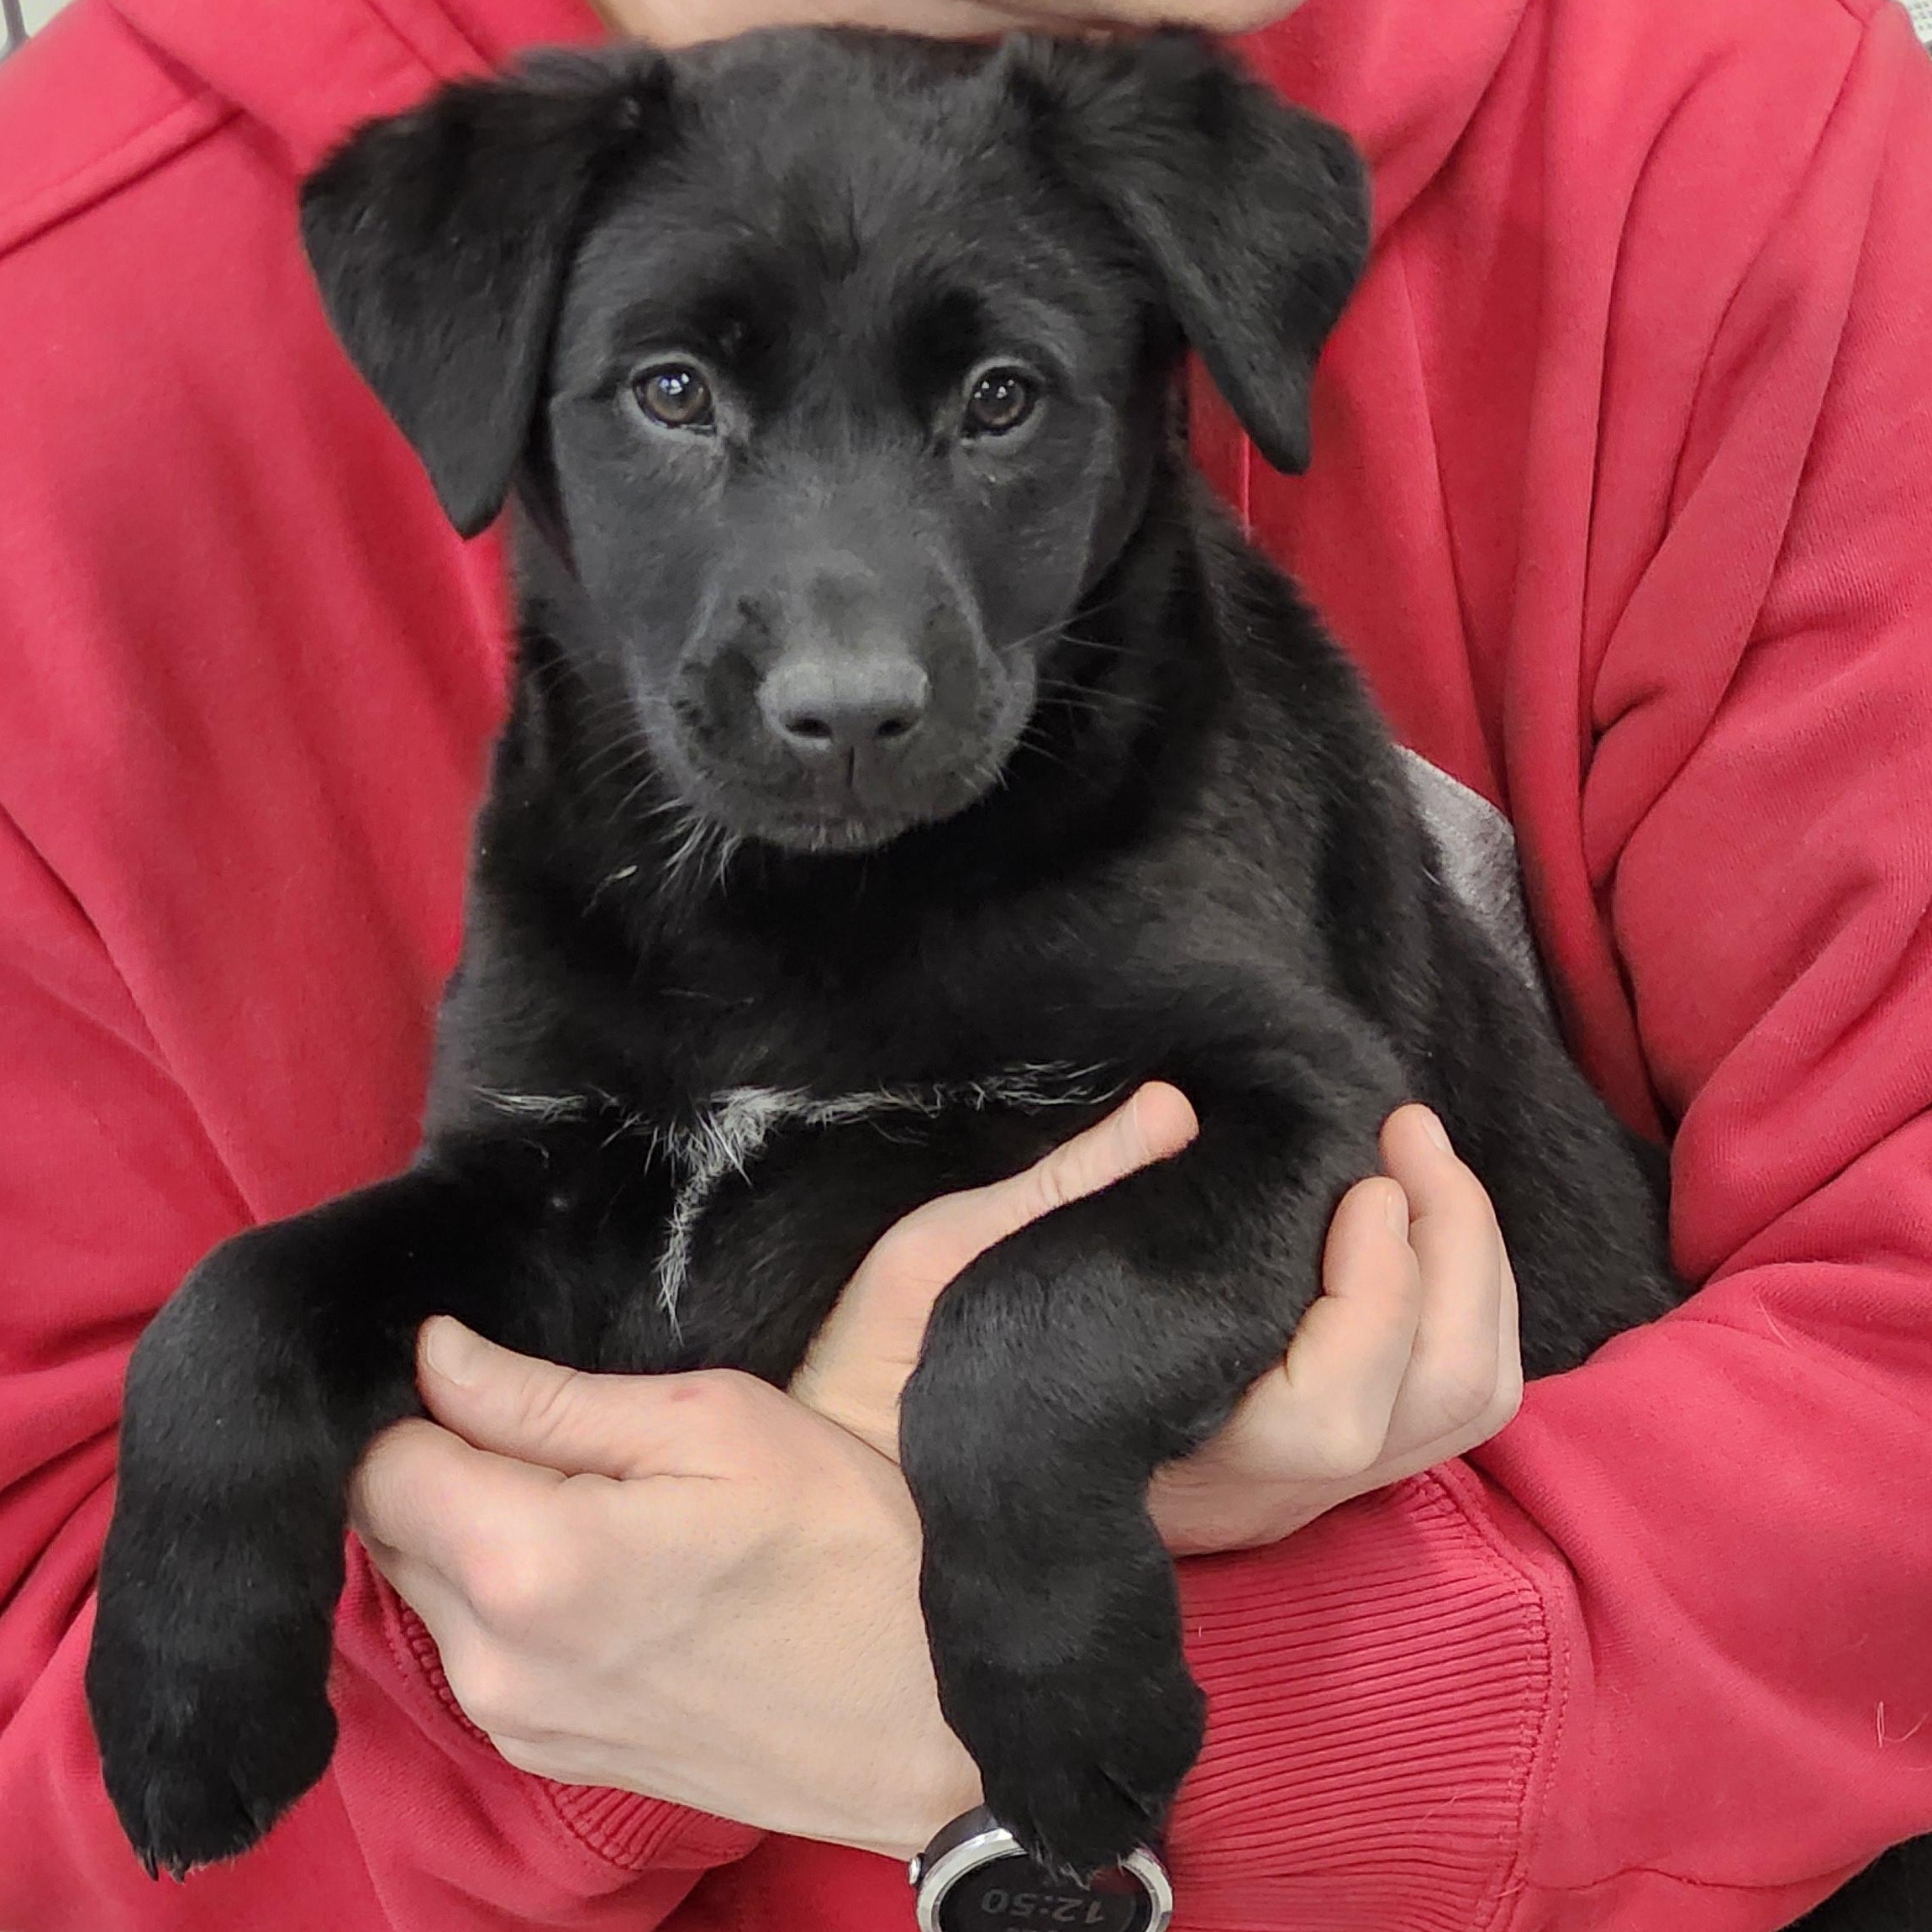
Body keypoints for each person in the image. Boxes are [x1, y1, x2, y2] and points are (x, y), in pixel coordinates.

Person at [0, 0, 1928, 1924]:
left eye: (993, 398)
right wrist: (552, 1670)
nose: (849, 672)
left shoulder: (1735, 139)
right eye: (682, 394)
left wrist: (1184, 1698)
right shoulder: (87, 303)